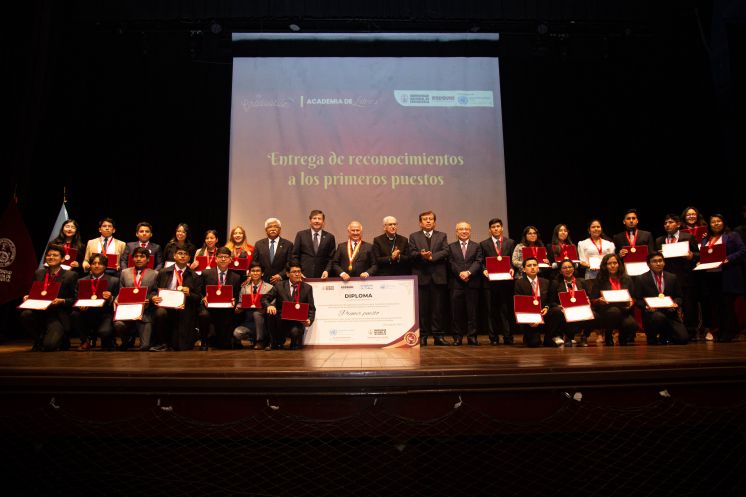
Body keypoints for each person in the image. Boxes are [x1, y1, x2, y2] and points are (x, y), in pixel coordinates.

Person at [19, 244, 78, 351]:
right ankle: (39, 338)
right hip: (39, 312)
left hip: (57, 315)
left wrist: (62, 301)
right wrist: (28, 297)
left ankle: (62, 338)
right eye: (49, 255)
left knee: (49, 346)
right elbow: (35, 292)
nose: (51, 257)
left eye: (55, 255)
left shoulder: (71, 275)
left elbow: (75, 299)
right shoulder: (39, 273)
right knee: (25, 314)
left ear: (63, 259)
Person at [698, 214, 746, 342]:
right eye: (713, 222)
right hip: (711, 276)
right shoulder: (706, 238)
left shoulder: (732, 235)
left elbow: (742, 251)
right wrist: (701, 261)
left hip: (727, 275)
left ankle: (728, 332)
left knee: (727, 305)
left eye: (718, 221)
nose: (716, 224)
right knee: (716, 305)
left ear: (723, 223)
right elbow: (705, 254)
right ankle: (720, 331)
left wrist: (728, 259)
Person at [654, 214, 699, 340]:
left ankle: (691, 332)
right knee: (669, 306)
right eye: (665, 223)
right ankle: (668, 332)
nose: (667, 225)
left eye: (670, 222)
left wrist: (691, 256)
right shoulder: (660, 240)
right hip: (667, 279)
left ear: (678, 224)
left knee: (689, 306)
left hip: (686, 277)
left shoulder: (688, 237)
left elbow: (698, 255)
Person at [409, 211, 450, 346]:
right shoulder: (414, 236)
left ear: (434, 222)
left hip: (438, 277)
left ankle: (438, 336)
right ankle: (423, 336)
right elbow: (411, 253)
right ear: (420, 223)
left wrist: (432, 257)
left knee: (438, 309)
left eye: (430, 219)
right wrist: (422, 255)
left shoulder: (442, 235)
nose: (428, 221)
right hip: (422, 276)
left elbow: (445, 251)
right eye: (425, 219)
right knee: (423, 309)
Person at [151, 244, 202, 351]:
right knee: (160, 313)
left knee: (181, 347)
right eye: (180, 253)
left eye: (185, 254)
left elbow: (198, 298)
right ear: (174, 256)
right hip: (166, 305)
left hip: (185, 307)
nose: (182, 256)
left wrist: (189, 294)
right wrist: (153, 297)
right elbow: (154, 290)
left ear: (189, 258)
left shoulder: (194, 276)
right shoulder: (163, 272)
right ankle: (162, 343)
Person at [633, 252, 688, 345]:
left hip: (670, 313)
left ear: (664, 262)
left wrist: (675, 303)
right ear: (648, 264)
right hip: (652, 314)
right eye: (654, 261)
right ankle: (652, 336)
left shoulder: (672, 277)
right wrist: (646, 306)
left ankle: (665, 335)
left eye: (660, 261)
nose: (658, 264)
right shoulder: (641, 278)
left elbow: (679, 296)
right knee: (658, 317)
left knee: (683, 339)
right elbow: (637, 299)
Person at [262, 261, 316, 350]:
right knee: (270, 313)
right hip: (281, 320)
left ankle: (294, 342)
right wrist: (269, 306)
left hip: (297, 322)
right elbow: (264, 299)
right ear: (287, 274)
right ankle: (273, 342)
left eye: (299, 271)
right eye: (294, 272)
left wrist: (309, 320)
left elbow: (311, 308)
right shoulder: (279, 285)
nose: (297, 274)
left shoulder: (307, 288)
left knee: (295, 334)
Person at [112, 247, 158, 350]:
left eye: (142, 257)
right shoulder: (125, 272)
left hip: (145, 312)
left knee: (145, 346)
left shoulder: (155, 274)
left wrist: (150, 299)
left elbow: (154, 292)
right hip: (127, 311)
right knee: (118, 324)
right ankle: (127, 340)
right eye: (136, 256)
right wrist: (118, 298)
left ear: (148, 259)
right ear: (132, 258)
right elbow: (121, 290)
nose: (138, 259)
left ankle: (138, 337)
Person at [480, 217, 516, 345]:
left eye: (498, 226)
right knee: (491, 311)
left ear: (502, 228)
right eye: (493, 227)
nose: (496, 229)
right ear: (490, 230)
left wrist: (512, 268)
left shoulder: (510, 242)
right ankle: (493, 337)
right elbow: (481, 261)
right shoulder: (484, 244)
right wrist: (484, 269)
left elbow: (513, 260)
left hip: (506, 282)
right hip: (489, 283)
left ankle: (508, 336)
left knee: (506, 310)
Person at [73, 253, 120, 351]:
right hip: (87, 313)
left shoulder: (114, 281)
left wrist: (111, 297)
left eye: (100, 263)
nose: (97, 266)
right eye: (94, 263)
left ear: (105, 266)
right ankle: (85, 340)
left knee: (105, 335)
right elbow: (76, 298)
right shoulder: (81, 281)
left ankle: (109, 340)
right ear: (90, 265)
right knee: (75, 314)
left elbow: (118, 300)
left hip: (105, 313)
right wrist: (80, 305)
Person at [198, 247, 241, 350]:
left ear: (230, 260)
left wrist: (234, 301)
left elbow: (236, 295)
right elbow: (199, 291)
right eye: (220, 257)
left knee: (224, 345)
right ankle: (204, 341)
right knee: (203, 315)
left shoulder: (236, 277)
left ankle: (226, 338)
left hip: (226, 308)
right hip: (209, 306)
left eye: (226, 257)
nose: (223, 259)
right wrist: (203, 297)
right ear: (216, 259)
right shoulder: (206, 273)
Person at [513, 257, 562, 347]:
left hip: (543, 313)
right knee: (534, 343)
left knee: (556, 311)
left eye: (535, 265)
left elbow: (550, 300)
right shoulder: (519, 283)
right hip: (529, 317)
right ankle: (529, 337)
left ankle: (549, 338)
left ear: (538, 268)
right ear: (524, 269)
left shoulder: (545, 282)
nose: (532, 267)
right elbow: (520, 305)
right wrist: (530, 319)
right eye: (529, 265)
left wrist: (546, 308)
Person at [589, 253, 637, 346]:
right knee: (614, 311)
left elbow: (633, 297)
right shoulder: (600, 279)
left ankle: (622, 337)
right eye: (609, 263)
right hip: (607, 311)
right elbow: (593, 299)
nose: (612, 265)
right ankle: (608, 334)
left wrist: (631, 301)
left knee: (631, 324)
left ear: (619, 264)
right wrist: (599, 300)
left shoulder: (627, 278)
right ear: (605, 265)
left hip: (624, 310)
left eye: (615, 263)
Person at [448, 222, 483, 345]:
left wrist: (468, 273)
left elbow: (478, 262)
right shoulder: (451, 247)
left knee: (472, 312)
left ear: (470, 231)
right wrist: (461, 273)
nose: (464, 231)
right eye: (461, 229)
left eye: (466, 229)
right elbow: (451, 263)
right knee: (456, 312)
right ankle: (457, 337)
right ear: (456, 232)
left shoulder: (477, 246)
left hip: (472, 283)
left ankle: (472, 336)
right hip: (456, 284)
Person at [234, 262, 275, 350]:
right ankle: (254, 338)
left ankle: (260, 341)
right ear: (249, 273)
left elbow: (272, 305)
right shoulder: (244, 288)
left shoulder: (269, 288)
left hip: (264, 322)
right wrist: (238, 308)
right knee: (237, 333)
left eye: (258, 271)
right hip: (249, 322)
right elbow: (240, 303)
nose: (255, 273)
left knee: (257, 314)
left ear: (262, 273)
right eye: (253, 271)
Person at [553, 259, 594, 346]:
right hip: (565, 310)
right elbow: (551, 301)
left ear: (574, 269)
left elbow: (589, 296)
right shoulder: (556, 283)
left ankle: (584, 336)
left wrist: (588, 301)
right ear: (560, 271)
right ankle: (568, 336)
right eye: (564, 268)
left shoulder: (582, 281)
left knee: (595, 314)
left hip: (581, 309)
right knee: (559, 313)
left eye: (570, 267)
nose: (568, 269)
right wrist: (559, 306)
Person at [292, 210, 336, 279]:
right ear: (310, 221)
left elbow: (332, 258)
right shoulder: (301, 235)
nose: (317, 221)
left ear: (323, 222)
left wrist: (327, 271)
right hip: (303, 275)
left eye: (319, 219)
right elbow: (295, 255)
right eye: (314, 218)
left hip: (323, 275)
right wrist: (298, 272)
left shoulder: (329, 237)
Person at [253, 218, 294, 283]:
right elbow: (255, 263)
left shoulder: (288, 245)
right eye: (270, 227)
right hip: (263, 281)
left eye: (276, 226)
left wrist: (281, 275)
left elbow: (290, 263)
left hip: (281, 282)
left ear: (280, 230)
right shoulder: (258, 244)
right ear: (266, 230)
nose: (273, 229)